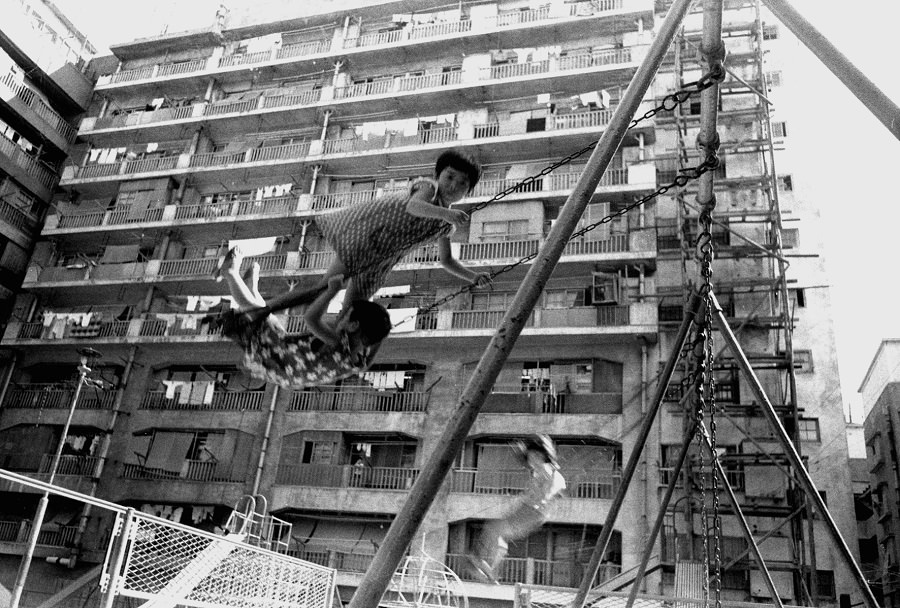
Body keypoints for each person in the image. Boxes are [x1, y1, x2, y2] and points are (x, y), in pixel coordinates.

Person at [212, 247, 391, 388]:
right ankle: (252, 288)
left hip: (280, 359)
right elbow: (371, 354)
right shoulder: (357, 362)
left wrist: (331, 292)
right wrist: (383, 330)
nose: (341, 316)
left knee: (256, 314)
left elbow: (311, 318)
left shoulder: (337, 343)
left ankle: (230, 273)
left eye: (346, 316)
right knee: (268, 320)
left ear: (354, 326)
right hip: (286, 368)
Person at [468, 435, 567, 584]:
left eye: (534, 457)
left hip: (532, 513)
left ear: (542, 456)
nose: (531, 461)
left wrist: (544, 496)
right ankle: (490, 570)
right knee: (497, 533)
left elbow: (553, 487)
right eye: (529, 458)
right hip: (531, 512)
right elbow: (540, 491)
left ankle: (480, 561)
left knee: (494, 529)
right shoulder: (539, 472)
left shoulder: (548, 471)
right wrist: (526, 495)